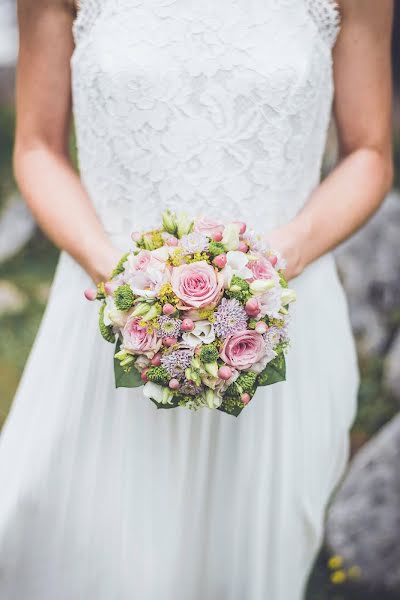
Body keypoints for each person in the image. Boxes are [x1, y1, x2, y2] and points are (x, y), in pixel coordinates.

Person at [0, 1, 393, 598]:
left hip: (278, 333)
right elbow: (36, 147)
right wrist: (127, 282)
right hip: (107, 325)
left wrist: (274, 260)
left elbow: (369, 152)